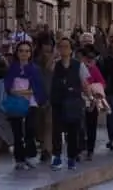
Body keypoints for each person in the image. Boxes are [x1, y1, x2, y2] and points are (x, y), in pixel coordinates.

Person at [47, 38, 89, 170]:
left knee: (73, 132)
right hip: (58, 101)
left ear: (71, 49)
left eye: (66, 47)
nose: (63, 49)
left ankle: (71, 158)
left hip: (73, 102)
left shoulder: (79, 65)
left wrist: (89, 98)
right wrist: (54, 55)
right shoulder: (56, 64)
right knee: (57, 131)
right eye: (61, 47)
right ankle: (57, 157)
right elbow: (48, 69)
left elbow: (85, 84)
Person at [5, 41, 44, 170]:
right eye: (21, 50)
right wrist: (18, 93)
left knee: (30, 130)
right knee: (17, 133)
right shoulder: (12, 68)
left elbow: (36, 88)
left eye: (27, 51)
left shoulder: (34, 69)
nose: (24, 53)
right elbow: (8, 87)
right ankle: (19, 159)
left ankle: (30, 156)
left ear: (30, 53)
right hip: (15, 104)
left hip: (31, 104)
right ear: (17, 52)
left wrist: (21, 92)